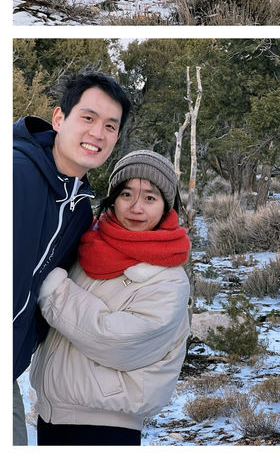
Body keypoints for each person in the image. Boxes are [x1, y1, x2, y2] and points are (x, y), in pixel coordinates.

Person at [30, 150, 191, 446]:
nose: (136, 207)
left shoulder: (168, 278)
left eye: (150, 198)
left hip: (107, 426)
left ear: (166, 206)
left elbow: (119, 341)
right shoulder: (90, 244)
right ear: (113, 197)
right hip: (53, 415)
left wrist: (53, 289)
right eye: (127, 193)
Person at [13, 71, 131, 446]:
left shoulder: (80, 208)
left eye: (110, 126)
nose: (98, 133)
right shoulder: (15, 173)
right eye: (88, 118)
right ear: (59, 118)